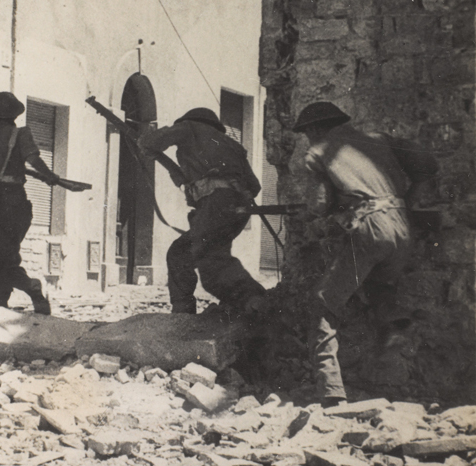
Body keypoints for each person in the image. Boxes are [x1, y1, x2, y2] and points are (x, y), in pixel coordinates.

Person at [292, 101, 438, 406]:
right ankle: (393, 333)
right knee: (378, 286)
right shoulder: (378, 139)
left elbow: (319, 204)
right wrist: (407, 199)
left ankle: (330, 392)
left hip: (371, 228)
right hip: (403, 228)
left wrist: (322, 211)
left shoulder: (318, 152)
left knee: (323, 301)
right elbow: (426, 164)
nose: (308, 139)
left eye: (307, 133)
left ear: (316, 129)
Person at [138, 107, 267, 315]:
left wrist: (145, 139)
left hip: (216, 205)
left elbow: (151, 142)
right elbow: (255, 186)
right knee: (182, 254)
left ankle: (254, 301)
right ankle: (185, 312)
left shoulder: (189, 127)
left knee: (210, 263)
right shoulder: (232, 145)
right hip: (239, 208)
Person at [0, 92, 60, 314]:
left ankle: (2, 304)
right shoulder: (20, 134)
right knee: (7, 255)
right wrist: (49, 175)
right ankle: (31, 288)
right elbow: (33, 159)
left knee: (1, 257)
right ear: (14, 115)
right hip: (13, 203)